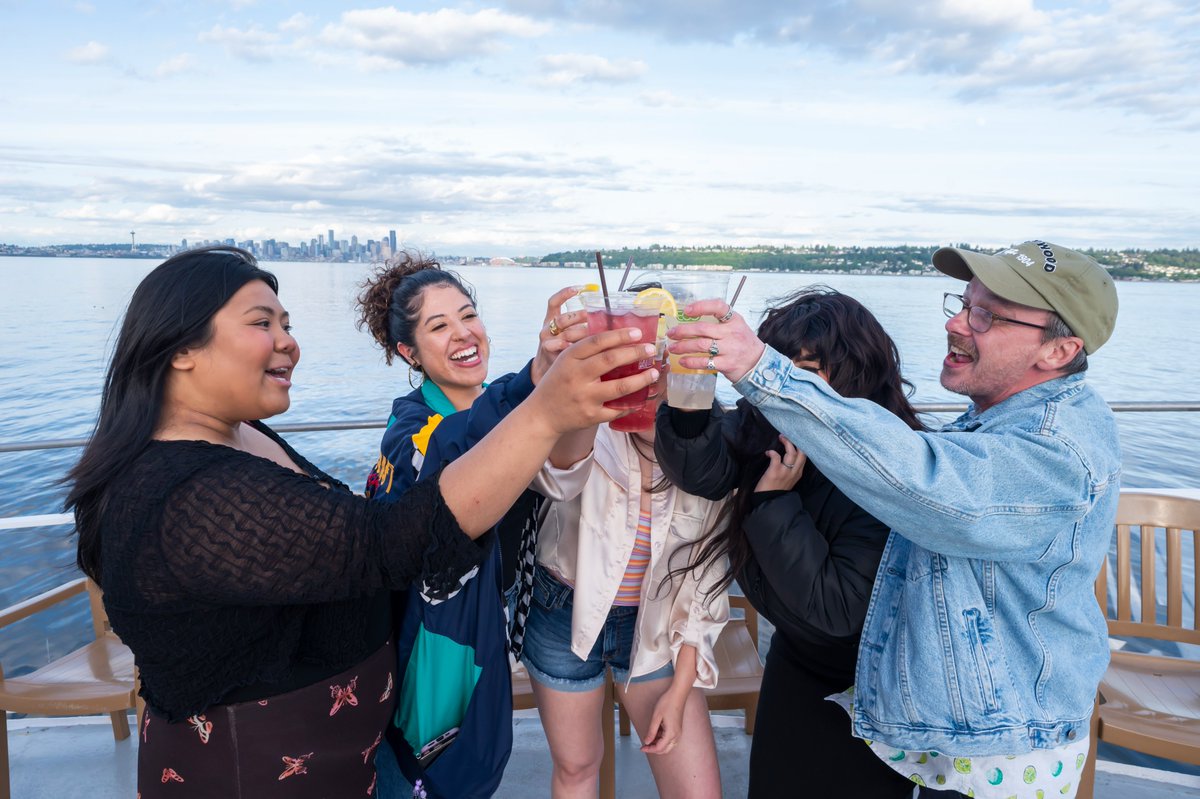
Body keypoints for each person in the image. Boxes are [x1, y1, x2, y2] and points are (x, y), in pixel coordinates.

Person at [64, 246, 658, 798]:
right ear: (180, 348)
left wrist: (538, 383)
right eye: (262, 323)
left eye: (287, 324)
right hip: (262, 772)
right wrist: (544, 407)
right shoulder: (187, 496)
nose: (290, 343)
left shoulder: (240, 435)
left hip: (345, 756)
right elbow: (386, 540)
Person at [667, 241, 1120, 799]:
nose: (956, 323)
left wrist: (762, 369)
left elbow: (933, 485)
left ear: (1058, 351)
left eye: (986, 315)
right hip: (952, 728)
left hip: (1007, 745)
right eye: (962, 303)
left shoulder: (1055, 447)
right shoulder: (993, 424)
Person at [653, 286, 928, 798]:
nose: (786, 385)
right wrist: (690, 396)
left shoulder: (892, 465)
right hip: (795, 657)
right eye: (776, 367)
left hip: (868, 681)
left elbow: (839, 607)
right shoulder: (772, 427)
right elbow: (701, 470)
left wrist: (772, 502)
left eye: (807, 371)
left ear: (857, 375)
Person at [356, 253, 593, 796]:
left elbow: (560, 470)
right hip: (434, 641)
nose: (464, 334)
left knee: (479, 767)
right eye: (439, 326)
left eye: (468, 315)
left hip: (492, 627)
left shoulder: (501, 406)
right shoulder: (410, 428)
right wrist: (537, 383)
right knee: (433, 773)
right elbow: (448, 451)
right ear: (407, 352)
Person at [521, 353, 729, 799]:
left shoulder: (712, 445)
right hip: (562, 612)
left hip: (658, 628)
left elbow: (706, 579)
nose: (650, 374)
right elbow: (557, 476)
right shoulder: (585, 422)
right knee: (576, 767)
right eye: (638, 361)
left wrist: (680, 690)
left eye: (664, 360)